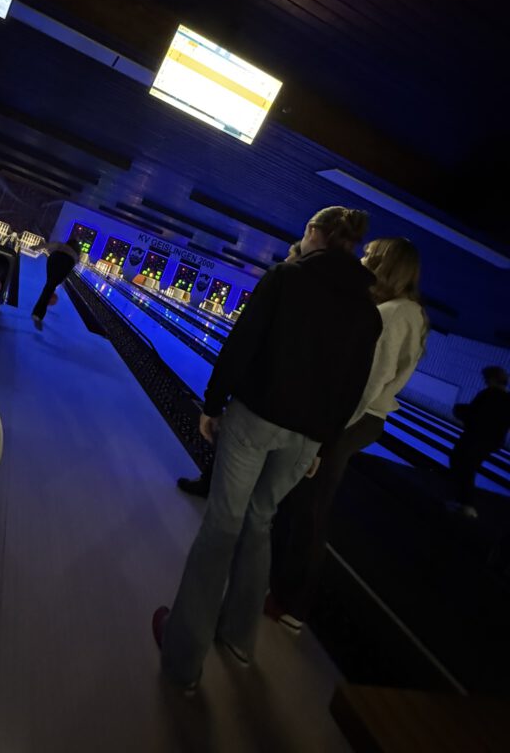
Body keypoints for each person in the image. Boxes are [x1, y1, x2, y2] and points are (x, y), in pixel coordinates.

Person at [152, 207, 381, 693]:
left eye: (306, 231)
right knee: (261, 522)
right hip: (307, 438)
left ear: (314, 233)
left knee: (223, 526)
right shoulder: (367, 311)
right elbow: (352, 389)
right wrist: (324, 444)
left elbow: (243, 343)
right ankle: (239, 639)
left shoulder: (286, 278)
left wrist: (213, 402)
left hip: (257, 419)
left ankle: (182, 658)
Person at [267, 237, 427, 633]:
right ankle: (284, 589)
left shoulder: (394, 314)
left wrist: (325, 437)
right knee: (306, 503)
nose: (363, 258)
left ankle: (293, 604)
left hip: (356, 417)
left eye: (370, 255)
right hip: (358, 417)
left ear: (387, 264)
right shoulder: (405, 310)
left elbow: (369, 381)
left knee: (311, 508)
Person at [176, 241, 304, 499]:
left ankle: (214, 489)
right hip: (290, 409)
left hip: (256, 398)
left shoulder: (280, 282)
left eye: (290, 255)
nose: (286, 259)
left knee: (233, 448)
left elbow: (242, 344)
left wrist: (214, 401)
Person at [448, 366, 510, 519]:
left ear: (492, 378)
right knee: (467, 467)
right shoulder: (507, 398)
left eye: (486, 378)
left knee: (462, 466)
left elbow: (476, 415)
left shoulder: (489, 394)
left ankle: (466, 505)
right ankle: (463, 503)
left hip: (476, 438)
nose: (485, 380)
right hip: (491, 441)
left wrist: (459, 411)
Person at [30, 237, 81, 330]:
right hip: (66, 263)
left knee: (49, 286)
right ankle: (37, 314)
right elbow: (71, 267)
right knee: (50, 287)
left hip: (54, 259)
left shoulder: (62, 245)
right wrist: (60, 282)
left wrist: (36, 247)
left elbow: (50, 245)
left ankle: (38, 313)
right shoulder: (76, 255)